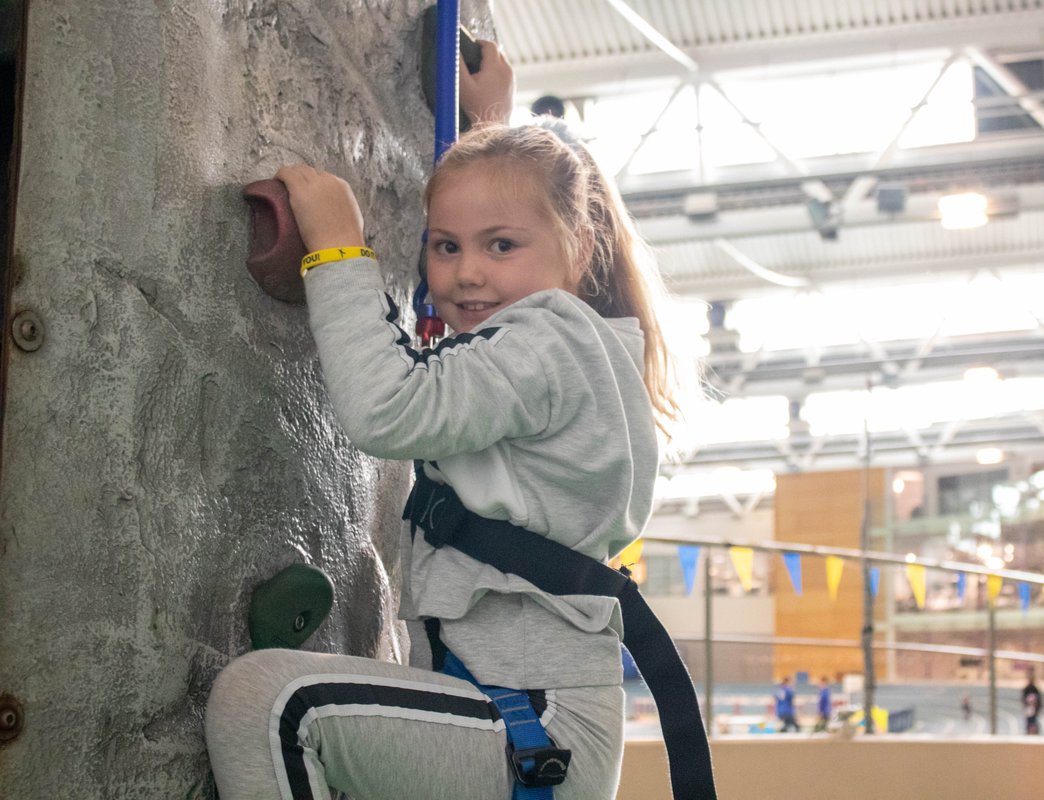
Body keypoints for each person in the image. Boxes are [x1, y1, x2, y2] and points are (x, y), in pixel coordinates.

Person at [204, 41, 700, 800]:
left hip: (532, 724)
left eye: (500, 245)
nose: (467, 271)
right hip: (517, 716)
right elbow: (518, 215)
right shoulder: (563, 347)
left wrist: (338, 250)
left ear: (580, 249)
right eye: (445, 246)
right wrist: (489, 123)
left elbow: (390, 409)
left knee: (270, 704)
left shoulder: (552, 338)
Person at [1022, 670, 1043, 735]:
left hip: (1033, 707)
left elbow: (1039, 699)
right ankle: (1031, 731)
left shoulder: (1034, 689)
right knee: (1031, 720)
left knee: (1032, 720)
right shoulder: (1029, 689)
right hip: (1031, 707)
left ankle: (1033, 731)